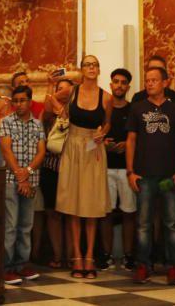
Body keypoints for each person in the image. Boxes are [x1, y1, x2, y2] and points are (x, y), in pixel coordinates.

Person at [127, 66, 175, 285]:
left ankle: (173, 267)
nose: (149, 83)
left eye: (154, 80)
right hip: (144, 175)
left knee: (171, 223)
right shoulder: (137, 108)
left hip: (169, 175)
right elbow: (131, 140)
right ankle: (143, 265)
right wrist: (130, 172)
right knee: (143, 224)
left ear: (165, 83)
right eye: (147, 80)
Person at [56, 55, 112, 279]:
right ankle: (76, 256)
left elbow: (108, 122)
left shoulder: (106, 97)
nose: (91, 68)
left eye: (94, 64)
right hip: (73, 146)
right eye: (87, 64)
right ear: (81, 70)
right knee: (73, 202)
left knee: (91, 204)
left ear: (99, 70)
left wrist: (104, 132)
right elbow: (52, 98)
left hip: (93, 148)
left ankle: (89, 256)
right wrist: (61, 113)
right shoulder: (72, 91)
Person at [0, 84, 46, 285]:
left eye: (22, 100)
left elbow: (41, 152)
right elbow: (6, 150)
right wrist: (20, 176)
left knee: (26, 225)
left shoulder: (37, 124)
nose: (19, 104)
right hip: (11, 181)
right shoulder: (6, 122)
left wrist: (26, 174)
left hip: (31, 181)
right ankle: (7, 268)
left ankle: (22, 265)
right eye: (15, 101)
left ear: (29, 101)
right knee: (11, 225)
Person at [100, 67, 136, 271]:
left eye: (123, 82)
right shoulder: (103, 109)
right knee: (106, 213)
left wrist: (126, 145)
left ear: (128, 87)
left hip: (126, 169)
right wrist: (103, 143)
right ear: (111, 84)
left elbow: (138, 138)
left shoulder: (134, 109)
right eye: (116, 81)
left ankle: (129, 255)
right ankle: (106, 256)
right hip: (105, 168)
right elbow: (92, 136)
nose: (119, 85)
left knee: (129, 212)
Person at [38, 77, 73, 269]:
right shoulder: (49, 115)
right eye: (60, 89)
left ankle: (71, 255)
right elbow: (45, 113)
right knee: (52, 213)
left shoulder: (76, 112)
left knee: (70, 213)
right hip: (51, 168)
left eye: (67, 90)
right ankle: (58, 255)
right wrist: (53, 91)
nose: (63, 93)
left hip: (71, 169)